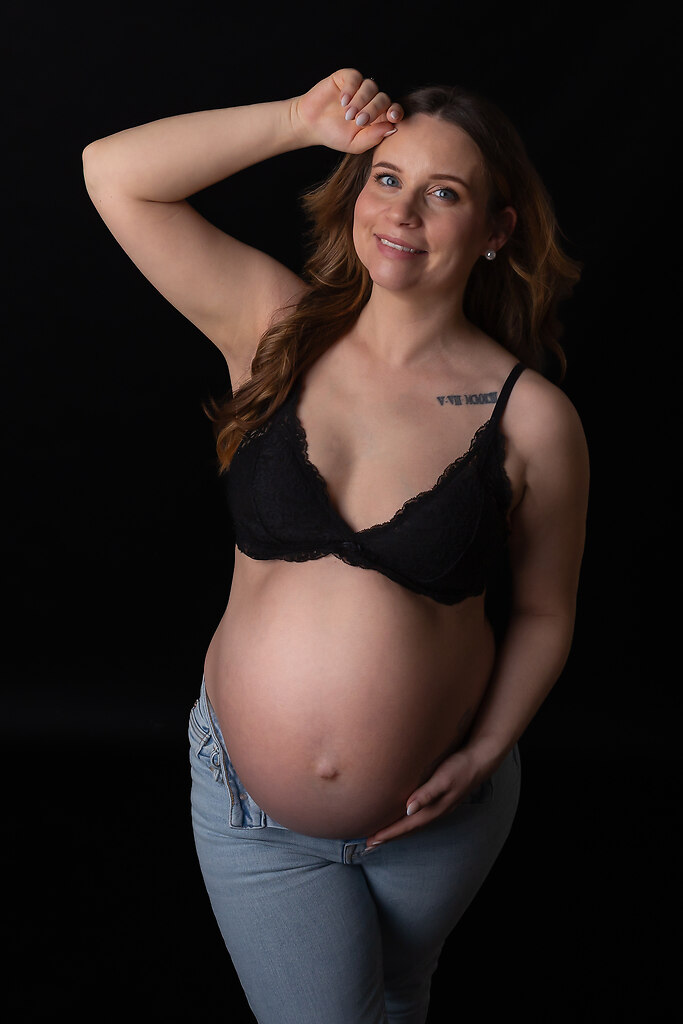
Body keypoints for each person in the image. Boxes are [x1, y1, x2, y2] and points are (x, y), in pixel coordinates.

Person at [83, 68, 589, 1024]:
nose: (402, 211)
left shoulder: (533, 420)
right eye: (386, 178)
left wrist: (483, 753)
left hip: (440, 821)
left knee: (397, 995)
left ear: (496, 230)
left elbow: (542, 611)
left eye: (444, 193)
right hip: (253, 814)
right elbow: (114, 174)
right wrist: (296, 120)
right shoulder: (275, 330)